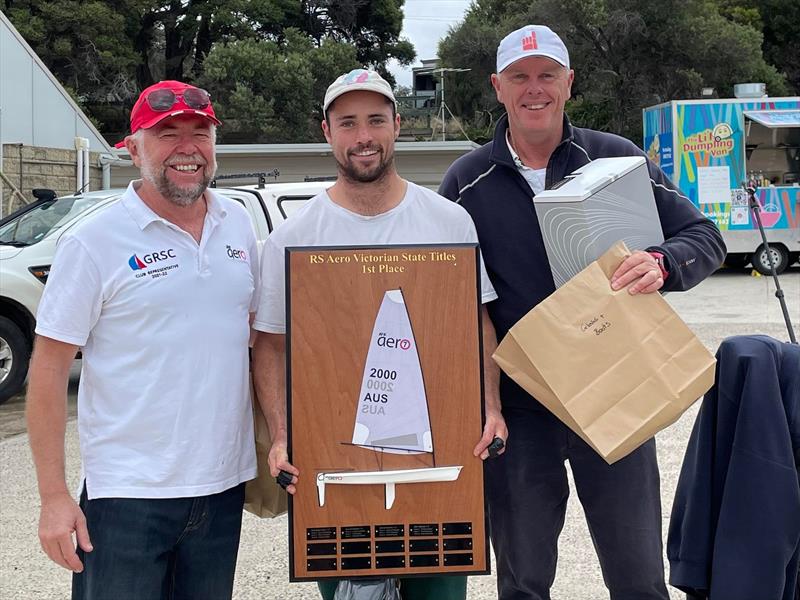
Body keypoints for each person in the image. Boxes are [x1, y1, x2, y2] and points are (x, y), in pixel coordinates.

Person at [439, 25, 726, 600]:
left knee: (638, 576)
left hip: (619, 391)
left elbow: (705, 236)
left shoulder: (617, 159)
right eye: (520, 77)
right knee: (522, 581)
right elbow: (448, 302)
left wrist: (662, 263)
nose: (534, 88)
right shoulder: (465, 183)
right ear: (498, 87)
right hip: (524, 410)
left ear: (570, 82)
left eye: (548, 74)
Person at [251, 68, 507, 600]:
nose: (362, 136)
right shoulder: (293, 238)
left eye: (375, 120)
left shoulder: (449, 221)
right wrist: (281, 434)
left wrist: (492, 407)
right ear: (327, 131)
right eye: (348, 123)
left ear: (396, 126)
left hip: (443, 470)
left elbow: (476, 324)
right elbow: (270, 345)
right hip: (333, 466)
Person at [26, 80, 259, 600]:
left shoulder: (237, 226)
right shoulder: (93, 242)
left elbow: (256, 340)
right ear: (132, 149)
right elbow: (46, 369)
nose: (188, 147)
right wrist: (53, 496)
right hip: (126, 498)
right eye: (166, 133)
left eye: (200, 133)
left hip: (221, 489)